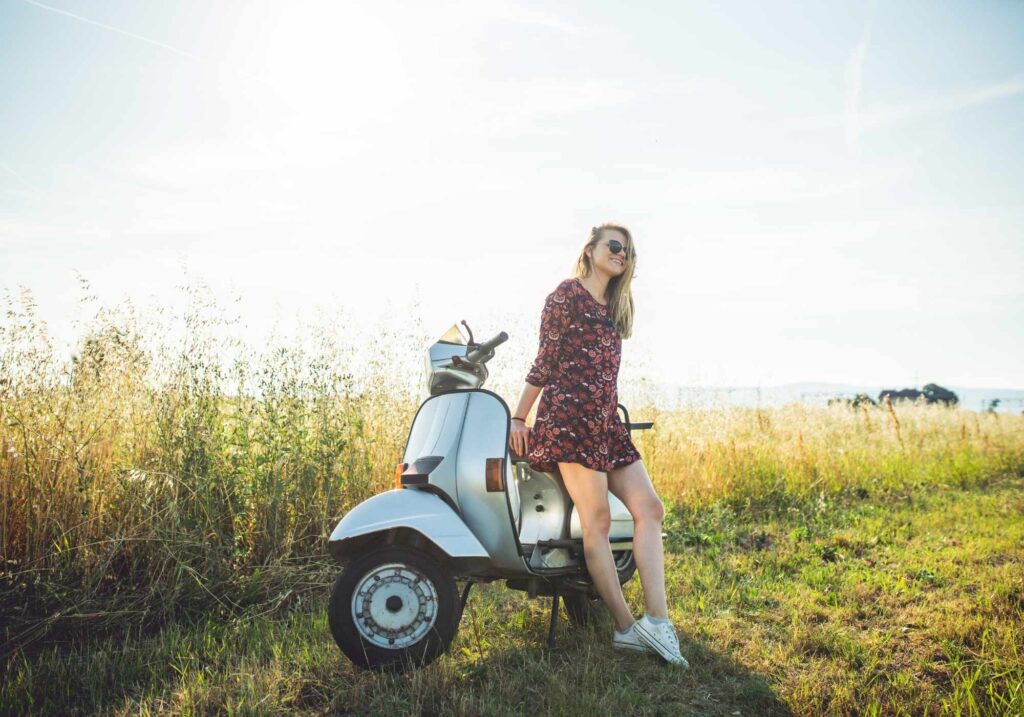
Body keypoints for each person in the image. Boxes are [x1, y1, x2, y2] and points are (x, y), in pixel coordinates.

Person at [508, 223, 689, 667]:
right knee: (598, 521)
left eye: (628, 250)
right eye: (614, 245)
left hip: (605, 425)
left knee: (650, 509)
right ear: (590, 249)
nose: (621, 253)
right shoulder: (566, 295)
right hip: (569, 422)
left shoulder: (616, 306)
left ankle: (658, 621)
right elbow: (545, 361)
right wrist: (518, 417)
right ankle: (626, 629)